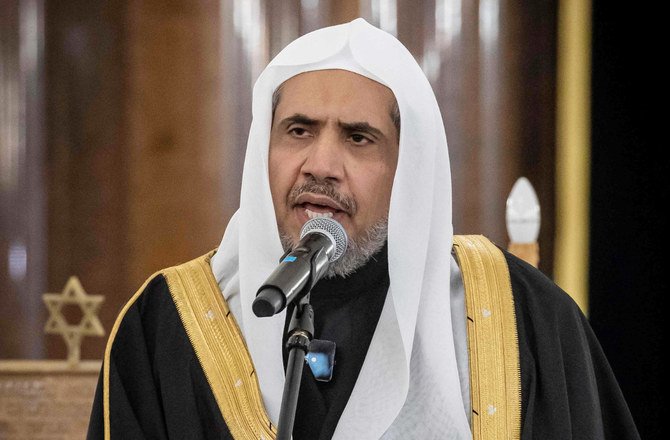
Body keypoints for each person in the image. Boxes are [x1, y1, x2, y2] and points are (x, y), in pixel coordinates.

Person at [87, 18, 639, 440]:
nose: (321, 165)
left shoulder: (523, 319)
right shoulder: (166, 324)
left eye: (358, 138)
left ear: (408, 171)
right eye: (298, 130)